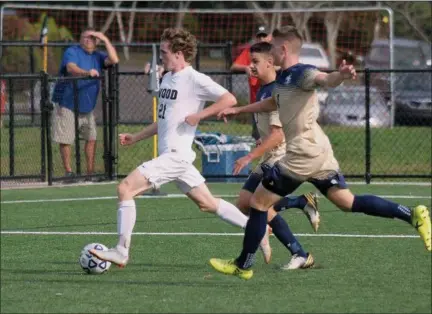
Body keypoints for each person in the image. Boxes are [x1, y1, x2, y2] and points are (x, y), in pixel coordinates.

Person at [210, 25, 431, 280]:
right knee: (348, 202)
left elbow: (324, 79)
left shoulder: (302, 73)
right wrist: (239, 110)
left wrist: (341, 75)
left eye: (273, 49)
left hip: (302, 153)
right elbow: (274, 102)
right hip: (320, 149)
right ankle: (412, 214)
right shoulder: (284, 77)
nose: (270, 54)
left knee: (257, 203)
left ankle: (244, 264)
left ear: (283, 49)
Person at [89, 27, 271, 267]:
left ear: (178, 53)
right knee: (208, 203)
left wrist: (200, 115)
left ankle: (121, 251)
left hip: (176, 157)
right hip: (177, 158)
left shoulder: (194, 78)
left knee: (125, 189)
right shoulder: (167, 77)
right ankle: (257, 230)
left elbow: (229, 99)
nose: (161, 55)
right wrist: (137, 137)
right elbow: (164, 120)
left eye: (164, 51)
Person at [231, 41, 320, 269]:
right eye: (250, 61)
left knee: (258, 205)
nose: (250, 66)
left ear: (270, 63)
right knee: (245, 203)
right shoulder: (263, 88)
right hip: (269, 156)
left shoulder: (276, 90)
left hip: (279, 158)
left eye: (255, 62)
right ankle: (300, 206)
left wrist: (248, 156)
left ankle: (297, 251)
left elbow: (278, 136)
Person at [51, 28, 119, 181]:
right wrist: (87, 73)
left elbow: (114, 60)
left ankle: (90, 173)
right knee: (66, 139)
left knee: (91, 137)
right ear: (81, 39)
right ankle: (69, 172)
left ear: (97, 42)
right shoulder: (72, 51)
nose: (88, 40)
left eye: (92, 38)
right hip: (67, 103)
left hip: (87, 106)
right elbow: (71, 68)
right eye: (85, 37)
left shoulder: (98, 56)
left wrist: (105, 39)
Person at [231, 25, 272, 146]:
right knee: (258, 137)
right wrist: (246, 67)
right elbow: (234, 66)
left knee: (274, 133)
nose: (261, 39)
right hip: (256, 100)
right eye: (259, 36)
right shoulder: (250, 51)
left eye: (264, 36)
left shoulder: (273, 52)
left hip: (272, 99)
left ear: (269, 37)